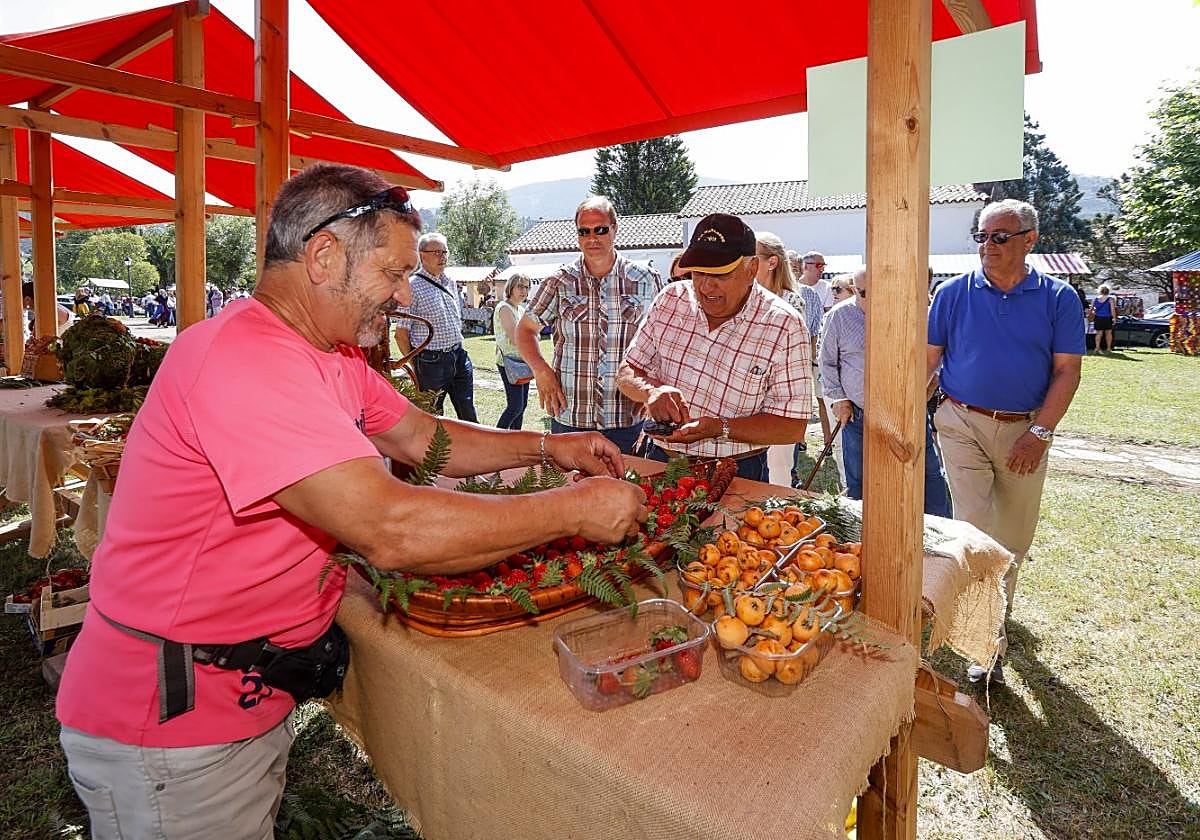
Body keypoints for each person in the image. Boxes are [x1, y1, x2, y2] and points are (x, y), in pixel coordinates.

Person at [55, 164, 646, 839]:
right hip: (170, 725)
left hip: (231, 700)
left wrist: (549, 450)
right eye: (392, 274)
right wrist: (571, 510)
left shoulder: (326, 354)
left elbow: (425, 437)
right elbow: (389, 527)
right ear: (324, 255)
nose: (401, 295)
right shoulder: (244, 360)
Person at [928, 199, 1084, 685]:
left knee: (1013, 538)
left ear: (1029, 240)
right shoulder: (952, 293)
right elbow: (926, 361)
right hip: (960, 422)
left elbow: (1067, 371)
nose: (987, 246)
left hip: (1025, 429)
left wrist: (1040, 433)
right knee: (974, 528)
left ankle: (996, 615)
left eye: (999, 237)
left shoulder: (1058, 298)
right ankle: (984, 643)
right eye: (981, 237)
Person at [617, 213, 812, 482]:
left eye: (720, 273)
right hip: (661, 458)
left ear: (752, 269)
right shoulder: (671, 299)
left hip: (736, 472)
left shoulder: (784, 324)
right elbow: (627, 372)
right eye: (698, 272)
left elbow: (792, 427)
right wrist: (651, 392)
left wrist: (719, 428)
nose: (706, 285)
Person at [515, 196, 664, 454]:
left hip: (627, 418)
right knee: (568, 492)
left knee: (626, 490)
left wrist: (652, 386)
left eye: (600, 230)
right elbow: (525, 329)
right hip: (571, 418)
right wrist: (541, 370)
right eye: (584, 231)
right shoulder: (560, 281)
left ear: (615, 229)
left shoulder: (646, 280)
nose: (592, 238)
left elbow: (665, 339)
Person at [820, 268, 951, 516]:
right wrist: (839, 398)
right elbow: (827, 361)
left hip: (907, 411)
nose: (869, 298)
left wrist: (929, 386)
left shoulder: (915, 312)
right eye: (863, 292)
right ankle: (861, 534)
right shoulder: (839, 316)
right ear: (855, 289)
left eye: (877, 292)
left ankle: (943, 533)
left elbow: (936, 355)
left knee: (928, 473)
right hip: (858, 413)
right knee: (859, 479)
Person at [753, 232, 816, 486]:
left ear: (772, 262)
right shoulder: (741, 298)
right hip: (748, 396)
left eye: (752, 257)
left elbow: (791, 352)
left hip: (778, 398)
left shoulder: (792, 302)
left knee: (778, 468)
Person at [394, 232, 478, 422]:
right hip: (431, 361)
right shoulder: (412, 287)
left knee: (468, 413)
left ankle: (472, 451)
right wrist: (415, 365)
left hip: (459, 356)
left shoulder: (451, 281)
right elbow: (401, 334)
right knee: (432, 417)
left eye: (445, 252)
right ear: (422, 255)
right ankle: (436, 453)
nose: (443, 257)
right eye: (436, 252)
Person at [494, 273, 532, 430]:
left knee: (521, 406)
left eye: (527, 287)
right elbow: (516, 337)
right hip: (510, 362)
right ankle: (496, 438)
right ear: (511, 287)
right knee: (515, 406)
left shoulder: (521, 309)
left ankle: (516, 439)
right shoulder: (504, 308)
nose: (524, 291)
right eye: (520, 286)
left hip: (523, 361)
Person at [1091, 284, 1116, 353]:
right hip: (1107, 318)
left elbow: (1092, 309)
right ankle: (1108, 348)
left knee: (1098, 333)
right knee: (1108, 333)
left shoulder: (1095, 299)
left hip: (1098, 318)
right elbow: (1112, 310)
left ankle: (1097, 347)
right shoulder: (1110, 299)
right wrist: (1114, 318)